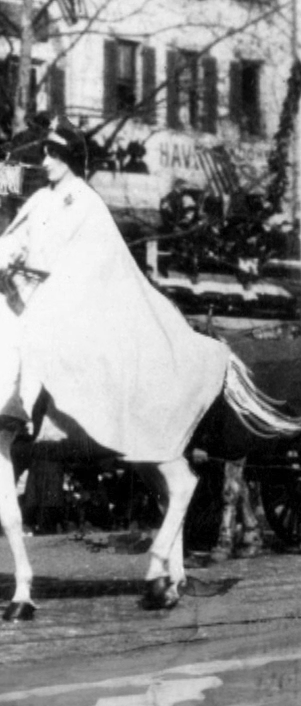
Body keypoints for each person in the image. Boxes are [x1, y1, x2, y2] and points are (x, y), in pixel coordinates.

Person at [0, 126, 230, 458]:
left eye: (54, 153)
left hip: (70, 300)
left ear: (70, 158)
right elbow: (14, 241)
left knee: (34, 328)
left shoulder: (86, 202)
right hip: (30, 291)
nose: (46, 160)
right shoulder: (40, 199)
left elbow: (89, 262)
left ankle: (19, 408)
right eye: (45, 153)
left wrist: (44, 278)